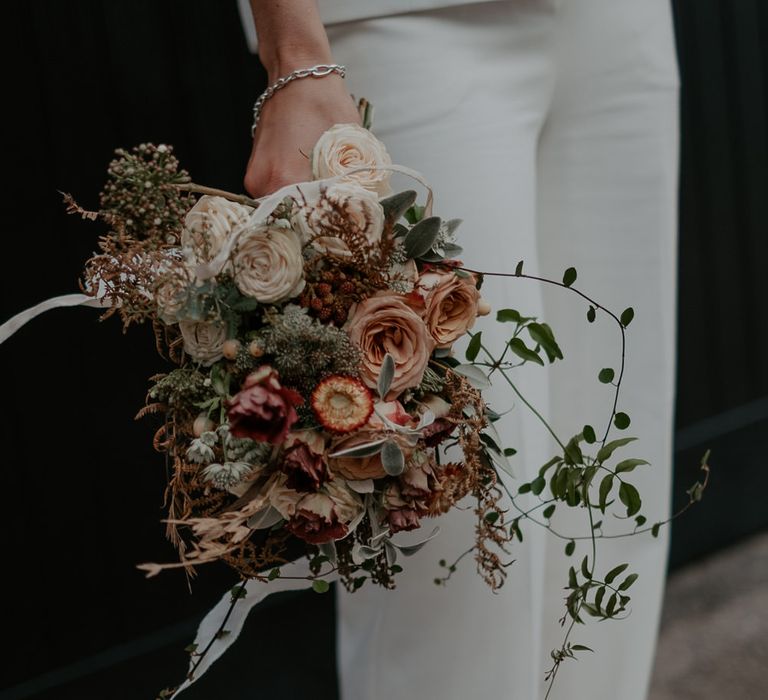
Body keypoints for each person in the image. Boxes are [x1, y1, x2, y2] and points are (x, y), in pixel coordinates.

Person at [241, 1, 680, 699]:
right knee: (451, 500)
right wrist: (294, 54)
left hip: (617, 24)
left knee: (608, 488)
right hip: (401, 19)